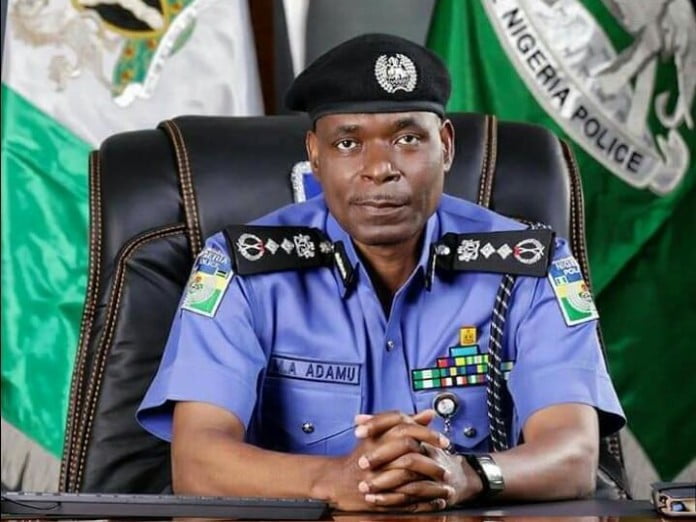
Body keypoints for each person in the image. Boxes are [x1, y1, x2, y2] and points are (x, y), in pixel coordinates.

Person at [137, 33, 625, 511]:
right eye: (348, 143)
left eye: (407, 139)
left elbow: (575, 454)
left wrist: (468, 475)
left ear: (446, 145)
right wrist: (334, 480)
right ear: (314, 155)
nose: (379, 168)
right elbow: (197, 462)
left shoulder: (530, 265)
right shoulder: (242, 268)